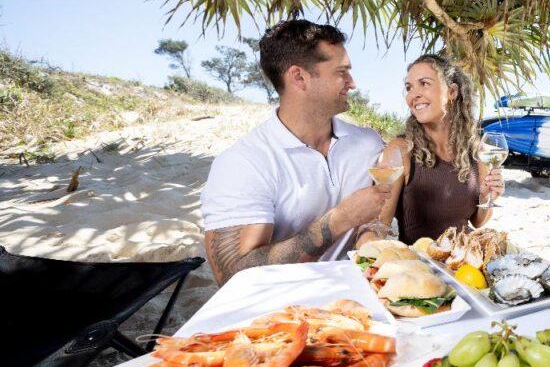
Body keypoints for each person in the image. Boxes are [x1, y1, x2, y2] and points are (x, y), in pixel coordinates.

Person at [200, 19, 390, 286]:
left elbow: (378, 219)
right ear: (299, 77)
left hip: (368, 297)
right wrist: (340, 219)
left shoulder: (368, 143)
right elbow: (233, 276)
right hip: (286, 312)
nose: (352, 83)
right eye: (341, 72)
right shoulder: (243, 163)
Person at [366, 54, 504, 246]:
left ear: (452, 92)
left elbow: (478, 222)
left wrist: (486, 196)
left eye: (424, 83)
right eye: (409, 87)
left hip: (463, 265)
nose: (413, 95)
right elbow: (377, 225)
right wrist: (368, 253)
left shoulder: (475, 151)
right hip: (420, 269)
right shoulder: (400, 150)